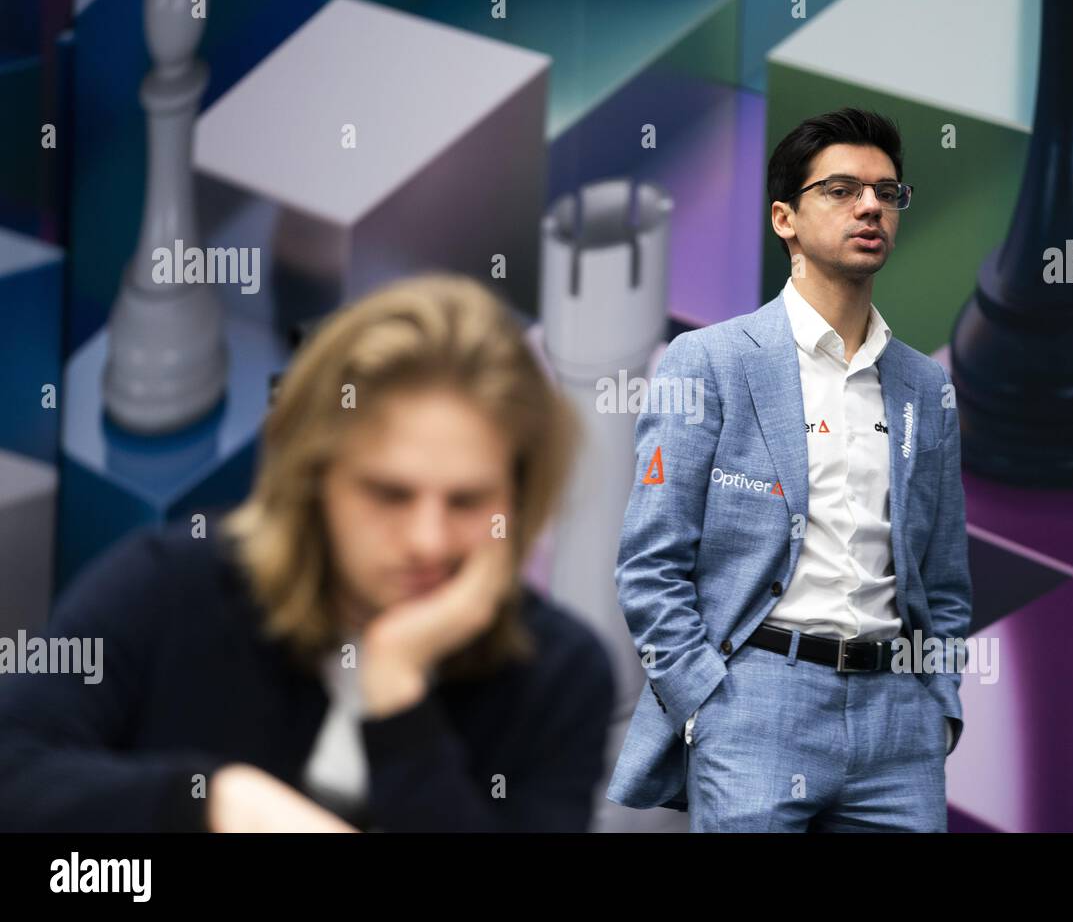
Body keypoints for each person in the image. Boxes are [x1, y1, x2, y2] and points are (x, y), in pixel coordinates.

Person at [0, 274, 615, 832]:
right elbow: (15, 772)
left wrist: (398, 697)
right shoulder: (173, 583)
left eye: (468, 501)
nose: (429, 540)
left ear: (520, 495)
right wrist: (213, 803)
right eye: (389, 494)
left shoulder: (560, 675)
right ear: (313, 480)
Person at [606, 108, 973, 831]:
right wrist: (706, 698)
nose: (871, 205)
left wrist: (941, 705)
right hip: (755, 704)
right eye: (841, 189)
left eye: (887, 193)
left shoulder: (925, 388)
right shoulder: (708, 362)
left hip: (900, 725)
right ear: (785, 219)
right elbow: (650, 563)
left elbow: (945, 579)